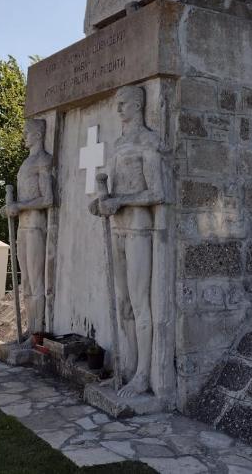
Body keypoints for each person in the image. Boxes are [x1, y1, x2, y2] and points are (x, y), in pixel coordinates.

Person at [89, 85, 165, 398]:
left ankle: (145, 374)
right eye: (117, 105)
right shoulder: (119, 144)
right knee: (123, 305)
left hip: (139, 228)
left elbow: (158, 192)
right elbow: (110, 192)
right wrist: (99, 203)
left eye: (123, 105)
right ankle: (131, 366)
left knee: (139, 301)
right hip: (117, 227)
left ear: (137, 105)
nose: (118, 110)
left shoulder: (148, 141)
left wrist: (121, 201)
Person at [2, 118, 53, 339]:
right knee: (26, 282)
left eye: (27, 132)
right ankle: (29, 331)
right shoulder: (26, 162)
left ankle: (37, 333)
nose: (24, 136)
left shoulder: (43, 160)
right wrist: (9, 209)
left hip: (35, 227)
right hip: (23, 227)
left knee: (36, 280)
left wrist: (19, 206)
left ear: (39, 135)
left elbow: (48, 199)